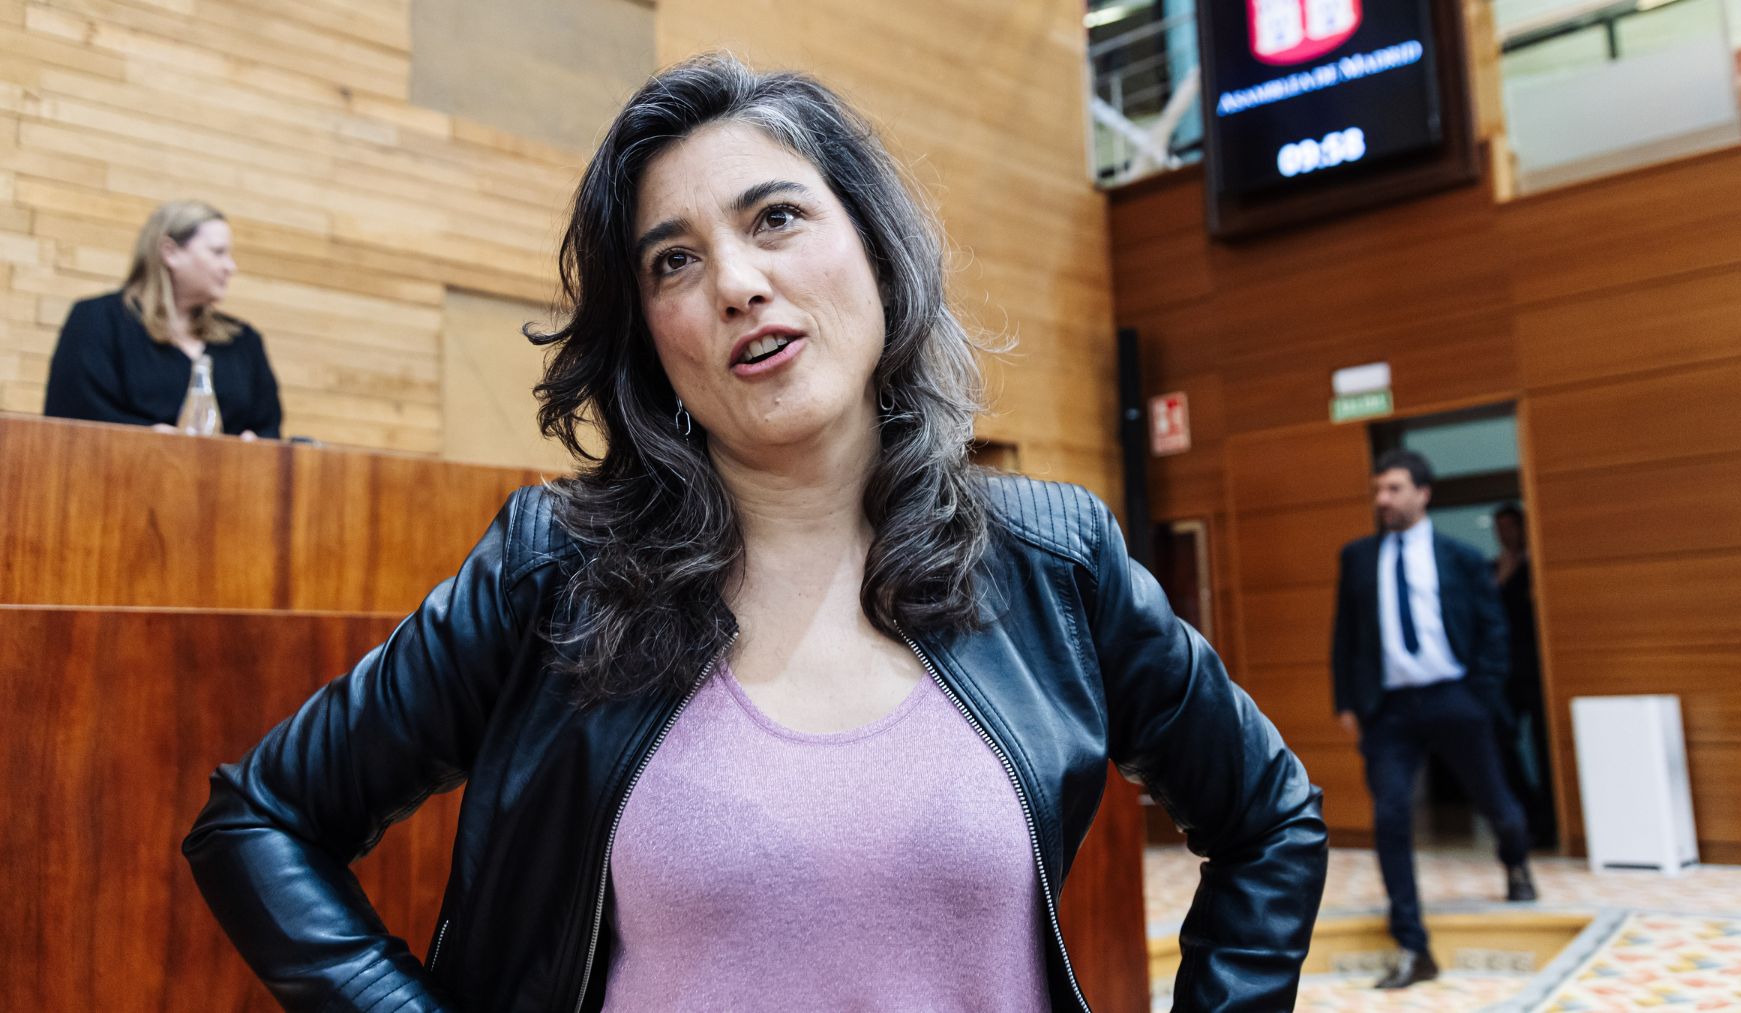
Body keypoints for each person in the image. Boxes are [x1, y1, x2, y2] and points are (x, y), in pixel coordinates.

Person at [182, 55, 1326, 1012]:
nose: (736, 281)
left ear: (875, 248)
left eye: (776, 216)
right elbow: (258, 817)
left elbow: (1270, 816)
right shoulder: (552, 574)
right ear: (651, 335)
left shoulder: (1055, 562)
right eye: (674, 259)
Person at [1331, 449, 1536, 990]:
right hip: (1389, 710)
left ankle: (1515, 862)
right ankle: (1412, 946)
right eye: (1379, 489)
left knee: (1497, 803)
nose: (1383, 499)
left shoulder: (1462, 558)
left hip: (1455, 699)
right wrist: (1347, 702)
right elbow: (1345, 636)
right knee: (1391, 817)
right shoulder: (1357, 557)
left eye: (1394, 489)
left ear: (1423, 493)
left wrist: (1480, 695)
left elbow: (1495, 632)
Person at [43, 200, 282, 439]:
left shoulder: (242, 340)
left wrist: (254, 443)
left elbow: (268, 427)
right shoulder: (97, 320)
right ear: (171, 252)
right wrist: (147, 438)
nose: (231, 267)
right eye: (218, 252)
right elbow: (75, 417)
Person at [1493, 503, 1556, 848]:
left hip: (1539, 669)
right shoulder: (1494, 569)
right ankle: (1530, 812)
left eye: (1509, 526)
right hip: (1506, 674)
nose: (1503, 534)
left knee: (1547, 749)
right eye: (1498, 527)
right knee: (1500, 739)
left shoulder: (1537, 565)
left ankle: (1549, 821)